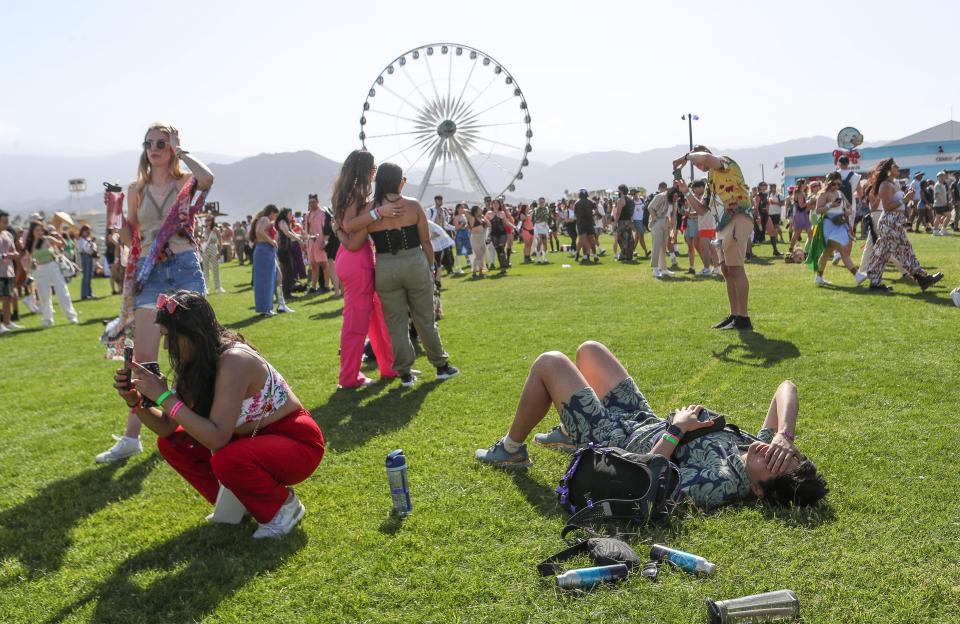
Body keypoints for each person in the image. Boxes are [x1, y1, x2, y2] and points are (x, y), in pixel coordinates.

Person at [474, 341, 828, 510]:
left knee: (549, 362)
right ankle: (568, 428)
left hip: (614, 439)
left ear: (760, 491)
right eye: (785, 454)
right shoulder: (758, 449)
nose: (770, 452)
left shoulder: (719, 484)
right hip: (642, 419)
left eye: (775, 461)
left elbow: (650, 481)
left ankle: (512, 449)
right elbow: (786, 387)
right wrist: (784, 434)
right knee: (589, 351)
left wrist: (678, 429)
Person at [116, 290, 324, 538]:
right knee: (174, 443)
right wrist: (136, 403)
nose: (165, 345)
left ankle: (283, 506)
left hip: (296, 443)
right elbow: (167, 428)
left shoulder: (234, 360)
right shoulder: (194, 361)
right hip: (252, 442)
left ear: (193, 334)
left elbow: (217, 438)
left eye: (170, 337)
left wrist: (164, 396)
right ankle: (241, 504)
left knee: (226, 458)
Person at [97, 122, 214, 464]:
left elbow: (207, 180)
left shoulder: (184, 181)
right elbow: (128, 235)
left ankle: (202, 423)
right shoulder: (136, 189)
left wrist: (182, 152)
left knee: (197, 350)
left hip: (183, 265)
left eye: (162, 142)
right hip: (150, 272)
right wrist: (116, 220)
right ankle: (132, 438)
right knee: (143, 361)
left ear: (173, 145)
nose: (154, 147)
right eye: (149, 142)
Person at [356, 162, 458, 388]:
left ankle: (404, 374)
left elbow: (356, 235)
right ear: (397, 180)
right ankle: (441, 366)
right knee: (425, 319)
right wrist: (429, 267)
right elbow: (426, 242)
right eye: (403, 178)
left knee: (396, 323)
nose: (405, 181)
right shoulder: (412, 205)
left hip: (385, 265)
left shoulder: (370, 210)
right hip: (414, 261)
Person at [330, 150, 397, 389]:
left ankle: (389, 367)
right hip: (356, 260)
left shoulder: (346, 193)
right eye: (373, 167)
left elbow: (345, 228)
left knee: (377, 318)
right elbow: (350, 228)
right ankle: (349, 377)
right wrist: (376, 213)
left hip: (353, 258)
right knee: (356, 325)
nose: (375, 171)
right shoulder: (354, 194)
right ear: (364, 169)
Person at [674, 146, 753, 330]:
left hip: (737, 217)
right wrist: (686, 192)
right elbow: (702, 210)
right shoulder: (710, 179)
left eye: (697, 162)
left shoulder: (724, 163)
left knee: (735, 268)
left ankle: (743, 317)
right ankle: (734, 315)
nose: (698, 165)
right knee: (726, 269)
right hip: (723, 224)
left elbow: (707, 157)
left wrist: (685, 157)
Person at [857, 159, 944, 292]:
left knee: (883, 253)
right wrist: (905, 199)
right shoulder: (885, 185)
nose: (898, 168)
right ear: (888, 170)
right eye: (895, 166)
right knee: (904, 250)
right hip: (890, 222)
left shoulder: (892, 183)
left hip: (894, 221)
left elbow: (898, 204)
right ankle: (922, 277)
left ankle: (875, 282)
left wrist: (907, 199)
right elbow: (887, 207)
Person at [23, 221, 79, 327]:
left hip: (53, 266)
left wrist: (59, 237)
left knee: (62, 292)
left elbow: (64, 244)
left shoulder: (48, 239)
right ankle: (47, 319)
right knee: (44, 295)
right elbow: (30, 260)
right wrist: (28, 274)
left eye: (41, 230)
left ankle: (72, 317)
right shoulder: (30, 245)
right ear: (32, 232)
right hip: (40, 270)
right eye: (37, 230)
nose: (40, 232)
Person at [808, 172, 858, 285]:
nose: (836, 186)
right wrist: (831, 205)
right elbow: (817, 211)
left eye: (838, 184)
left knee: (826, 253)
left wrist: (847, 211)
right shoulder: (823, 194)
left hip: (840, 225)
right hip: (828, 226)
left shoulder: (840, 193)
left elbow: (849, 207)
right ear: (829, 183)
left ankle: (818, 278)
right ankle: (857, 275)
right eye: (834, 184)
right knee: (842, 250)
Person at [251, 205, 280, 315]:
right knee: (266, 280)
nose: (275, 217)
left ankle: (265, 307)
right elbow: (259, 231)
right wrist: (271, 241)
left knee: (265, 280)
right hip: (264, 250)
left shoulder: (262, 219)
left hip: (264, 250)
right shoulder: (265, 219)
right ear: (271, 212)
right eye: (275, 215)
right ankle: (266, 308)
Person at [0, 211, 21, 333]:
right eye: (4, 222)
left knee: (8, 298)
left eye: (7, 222)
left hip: (8, 272)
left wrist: (15, 255)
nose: (6, 224)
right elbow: (7, 254)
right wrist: (5, 256)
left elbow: (14, 250)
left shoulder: (8, 234)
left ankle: (7, 323)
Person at [646, 187, 673, 278]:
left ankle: (664, 269)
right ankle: (655, 268)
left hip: (666, 223)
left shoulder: (673, 199)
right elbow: (650, 207)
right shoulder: (660, 196)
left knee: (663, 247)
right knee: (656, 246)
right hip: (658, 222)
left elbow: (671, 213)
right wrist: (655, 219)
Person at [201, 215, 226, 294]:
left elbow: (220, 240)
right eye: (206, 220)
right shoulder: (204, 229)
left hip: (213, 248)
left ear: (212, 221)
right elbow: (202, 240)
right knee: (205, 269)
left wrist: (220, 251)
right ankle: (206, 288)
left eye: (208, 220)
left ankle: (218, 287)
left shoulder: (216, 230)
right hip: (205, 250)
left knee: (215, 268)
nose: (207, 222)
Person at [612, 184, 637, 262]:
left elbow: (618, 213)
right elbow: (632, 211)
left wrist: (615, 223)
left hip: (622, 222)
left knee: (622, 239)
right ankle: (626, 256)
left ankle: (625, 256)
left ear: (621, 191)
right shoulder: (630, 199)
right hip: (629, 221)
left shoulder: (620, 200)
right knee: (629, 239)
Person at [573, 189, 598, 263]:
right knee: (591, 240)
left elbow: (575, 213)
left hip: (581, 223)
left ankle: (584, 256)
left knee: (583, 240)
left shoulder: (577, 203)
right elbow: (596, 211)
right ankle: (595, 255)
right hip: (590, 222)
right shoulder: (591, 202)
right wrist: (591, 215)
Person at [468, 205, 487, 279]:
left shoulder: (482, 218)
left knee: (480, 256)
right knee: (479, 255)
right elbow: (467, 212)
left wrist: (484, 218)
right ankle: (478, 272)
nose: (481, 210)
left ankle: (477, 272)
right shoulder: (472, 218)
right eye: (479, 209)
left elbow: (489, 224)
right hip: (475, 239)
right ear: (476, 211)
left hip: (482, 238)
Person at [932, 171, 952, 236]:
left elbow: (943, 194)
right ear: (937, 177)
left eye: (943, 176)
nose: (942, 177)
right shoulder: (937, 185)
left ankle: (943, 229)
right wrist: (944, 202)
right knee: (938, 217)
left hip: (944, 204)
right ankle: (935, 231)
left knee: (949, 215)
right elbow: (937, 195)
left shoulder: (943, 185)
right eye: (940, 176)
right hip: (938, 204)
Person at [532, 197, 550, 263]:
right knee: (539, 242)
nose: (541, 203)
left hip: (544, 227)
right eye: (540, 202)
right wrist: (537, 220)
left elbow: (547, 217)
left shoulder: (547, 209)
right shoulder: (536, 209)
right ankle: (538, 258)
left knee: (545, 243)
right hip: (538, 227)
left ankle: (545, 257)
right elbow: (534, 219)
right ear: (538, 203)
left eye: (543, 202)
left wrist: (543, 220)